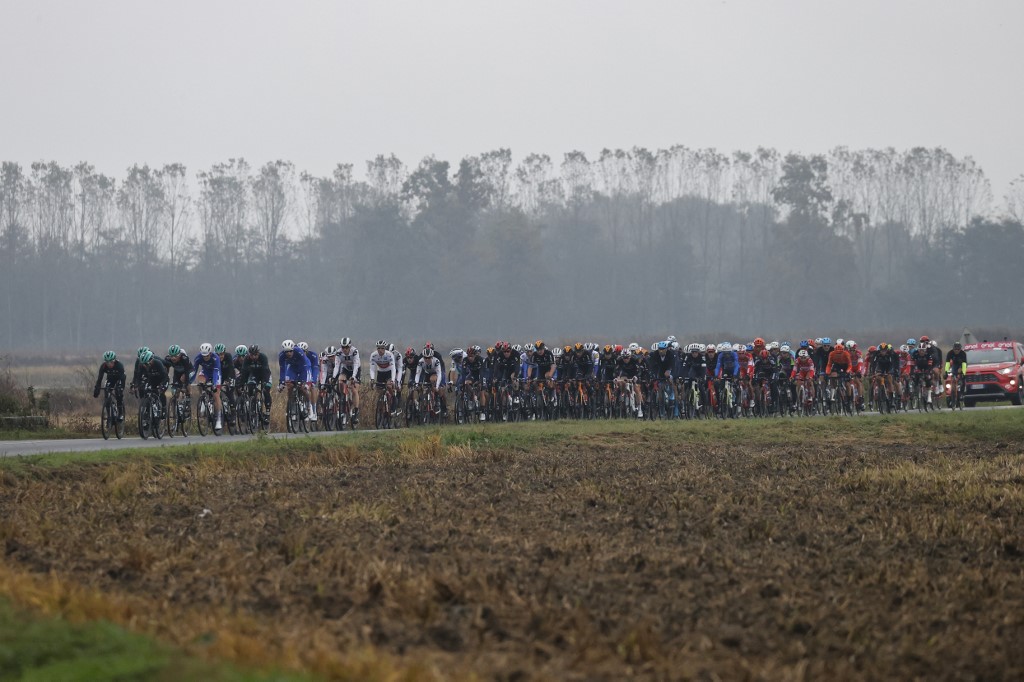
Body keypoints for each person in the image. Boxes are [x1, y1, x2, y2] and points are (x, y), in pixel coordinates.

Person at [190, 342, 223, 430]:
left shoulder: (215, 358)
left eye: (207, 356)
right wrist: (189, 381)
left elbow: (216, 372)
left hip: (215, 374)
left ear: (210, 353)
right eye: (203, 356)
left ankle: (218, 419)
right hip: (205, 373)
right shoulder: (198, 358)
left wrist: (214, 385)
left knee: (216, 395)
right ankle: (203, 399)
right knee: (200, 382)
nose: (205, 357)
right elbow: (194, 371)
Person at [278, 339, 312, 421]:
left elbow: (304, 367)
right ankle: (292, 406)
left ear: (293, 349)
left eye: (290, 351)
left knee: (302, 388)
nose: (288, 353)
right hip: (292, 368)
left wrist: (303, 382)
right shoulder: (281, 356)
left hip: (303, 367)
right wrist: (281, 382)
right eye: (286, 352)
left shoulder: (299, 352)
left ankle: (308, 405)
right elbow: (282, 369)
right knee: (289, 385)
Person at [240, 344, 273, 420]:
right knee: (250, 387)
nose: (254, 357)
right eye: (252, 355)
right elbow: (244, 372)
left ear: (258, 353)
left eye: (255, 355)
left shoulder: (263, 357)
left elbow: (265, 370)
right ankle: (253, 406)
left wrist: (265, 382)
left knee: (266, 390)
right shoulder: (246, 359)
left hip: (265, 374)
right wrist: (242, 384)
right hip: (254, 375)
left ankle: (267, 412)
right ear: (249, 354)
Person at [93, 351, 126, 421]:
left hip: (119, 379)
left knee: (118, 393)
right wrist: (97, 388)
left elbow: (122, 378)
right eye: (107, 362)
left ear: (114, 361)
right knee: (106, 393)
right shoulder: (103, 366)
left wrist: (120, 388)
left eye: (111, 362)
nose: (109, 364)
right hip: (110, 379)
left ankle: (120, 413)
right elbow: (100, 378)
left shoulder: (119, 366)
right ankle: (109, 415)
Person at [334, 338, 361, 422]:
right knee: (340, 380)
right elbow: (337, 366)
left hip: (355, 370)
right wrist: (334, 377)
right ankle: (343, 397)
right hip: (345, 369)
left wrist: (353, 377)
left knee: (354, 390)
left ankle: (356, 411)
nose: (344, 349)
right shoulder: (339, 352)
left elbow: (356, 365)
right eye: (343, 347)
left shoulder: (354, 351)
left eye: (346, 347)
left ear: (350, 347)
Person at [136, 349, 170, 416]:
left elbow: (165, 376)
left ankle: (163, 409)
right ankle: (148, 410)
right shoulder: (142, 365)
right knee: (146, 391)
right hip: (152, 379)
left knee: (160, 392)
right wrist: (139, 385)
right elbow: (139, 377)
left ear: (151, 360)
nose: (145, 366)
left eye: (146, 363)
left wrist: (162, 386)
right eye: (143, 364)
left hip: (162, 379)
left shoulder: (158, 363)